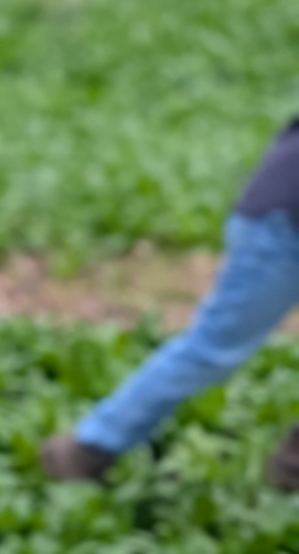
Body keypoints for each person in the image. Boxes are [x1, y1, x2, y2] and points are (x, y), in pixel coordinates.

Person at [41, 114, 299, 490]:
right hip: (280, 230)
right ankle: (86, 449)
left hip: (278, 218)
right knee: (212, 350)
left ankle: (292, 469)